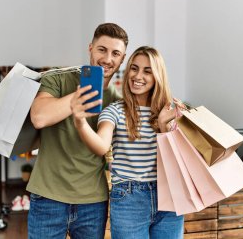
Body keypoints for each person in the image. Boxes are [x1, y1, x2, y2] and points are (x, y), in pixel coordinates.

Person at [26, 23, 128, 239]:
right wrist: (80, 96)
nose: (108, 59)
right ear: (90, 48)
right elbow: (39, 117)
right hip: (47, 197)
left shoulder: (118, 102)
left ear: (122, 59)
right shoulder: (58, 79)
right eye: (102, 49)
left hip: (92, 203)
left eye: (115, 53)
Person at [71, 46, 185, 238]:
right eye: (134, 68)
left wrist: (166, 125)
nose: (138, 76)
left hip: (169, 196)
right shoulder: (114, 111)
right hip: (129, 199)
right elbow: (101, 146)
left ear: (158, 76)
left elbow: (177, 159)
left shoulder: (169, 111)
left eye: (147, 71)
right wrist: (80, 121)